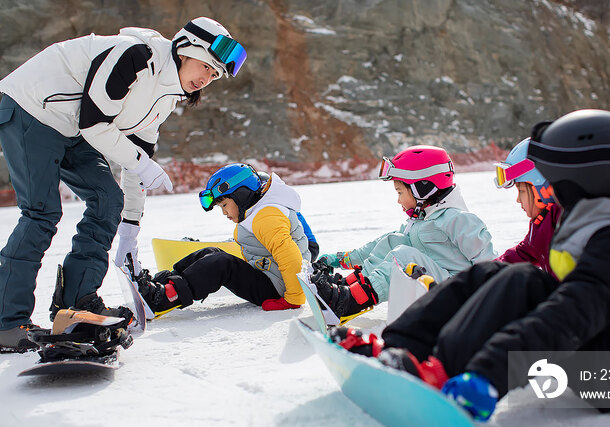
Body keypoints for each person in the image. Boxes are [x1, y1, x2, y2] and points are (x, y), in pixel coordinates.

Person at [331, 109, 610, 420]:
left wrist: (488, 374)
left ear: (574, 180)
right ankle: (403, 350)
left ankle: (437, 373)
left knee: (521, 282)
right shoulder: (601, 219)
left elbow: (572, 314)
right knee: (498, 273)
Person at [0, 17, 247, 352]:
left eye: (214, 75)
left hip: (74, 127)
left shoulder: (164, 100)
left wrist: (130, 229)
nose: (205, 78)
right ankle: (8, 322)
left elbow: (137, 167)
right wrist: (143, 163)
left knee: (107, 200)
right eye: (204, 65)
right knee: (42, 213)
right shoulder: (134, 55)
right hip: (32, 109)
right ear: (184, 50)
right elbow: (96, 123)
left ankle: (76, 304)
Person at [312, 145, 497, 324]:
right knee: (395, 242)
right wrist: (341, 259)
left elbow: (489, 265)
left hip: (461, 299)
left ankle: (350, 302)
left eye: (400, 192)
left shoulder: (460, 220)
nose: (398, 199)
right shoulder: (423, 220)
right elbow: (382, 245)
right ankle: (347, 288)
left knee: (403, 257)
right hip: (437, 291)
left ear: (422, 188)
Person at [135, 163, 315, 316]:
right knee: (211, 252)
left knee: (222, 264)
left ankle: (166, 297)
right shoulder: (259, 212)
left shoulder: (266, 216)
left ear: (241, 195)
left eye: (224, 205)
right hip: (273, 278)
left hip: (279, 289)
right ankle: (166, 283)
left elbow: (289, 256)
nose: (224, 213)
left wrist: (293, 299)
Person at [493, 138, 562, 275]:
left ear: (543, 188)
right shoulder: (541, 224)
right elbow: (520, 255)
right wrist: (485, 272)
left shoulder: (565, 222)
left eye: (521, 191)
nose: (518, 200)